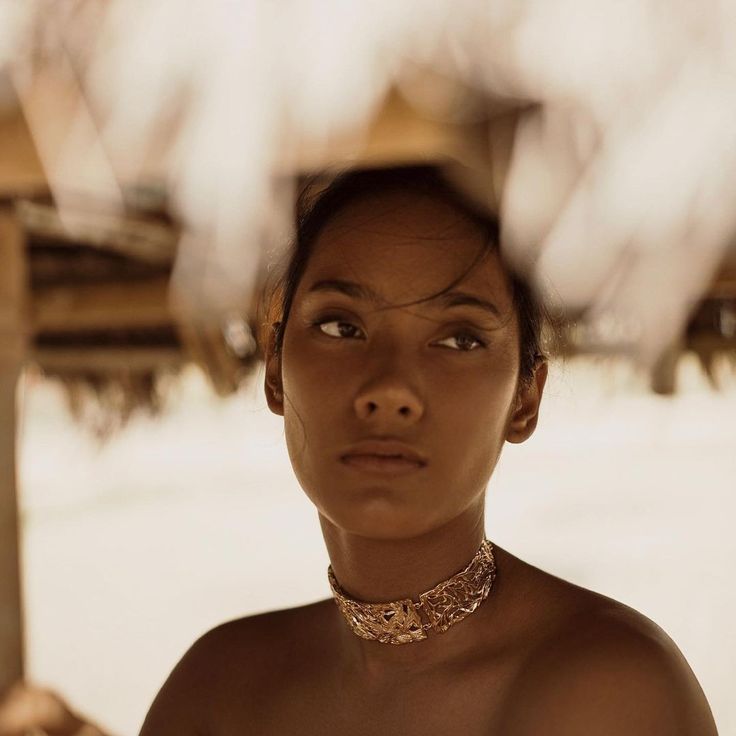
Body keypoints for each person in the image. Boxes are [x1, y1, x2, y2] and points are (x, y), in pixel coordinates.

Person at [0, 165, 718, 735]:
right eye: (342, 327)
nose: (390, 388)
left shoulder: (608, 690)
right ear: (276, 370)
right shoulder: (216, 689)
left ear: (524, 400)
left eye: (459, 338)